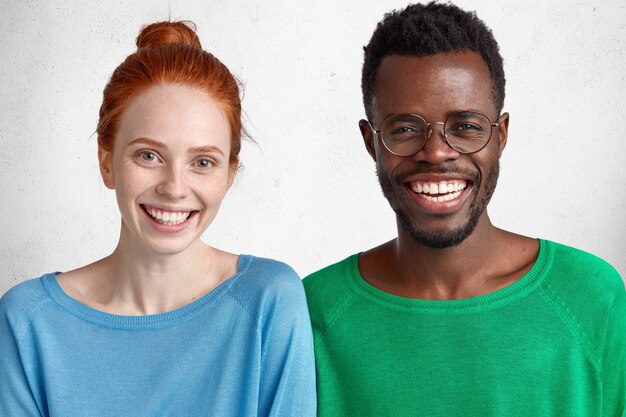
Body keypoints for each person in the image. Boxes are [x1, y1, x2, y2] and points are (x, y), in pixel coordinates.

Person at [303, 2, 625, 416]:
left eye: (466, 126)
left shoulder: (589, 298)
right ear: (371, 143)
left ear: (501, 135)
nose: (437, 153)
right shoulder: (314, 313)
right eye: (404, 129)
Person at [0, 21, 315, 416]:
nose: (174, 188)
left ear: (229, 176)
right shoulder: (28, 322)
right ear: (107, 162)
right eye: (149, 155)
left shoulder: (269, 300)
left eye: (203, 162)